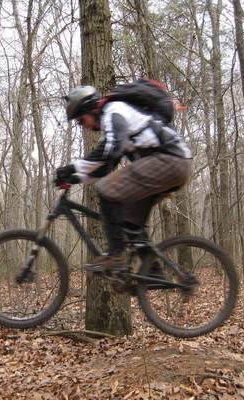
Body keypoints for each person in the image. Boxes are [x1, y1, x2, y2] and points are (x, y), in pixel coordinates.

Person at [54, 83, 192, 272]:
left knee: (105, 189)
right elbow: (105, 166)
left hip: (169, 161)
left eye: (80, 119)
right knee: (130, 224)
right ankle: (152, 271)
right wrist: (75, 178)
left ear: (89, 109)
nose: (82, 125)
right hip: (174, 165)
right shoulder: (114, 123)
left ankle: (116, 256)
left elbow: (110, 151)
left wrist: (72, 167)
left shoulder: (114, 111)